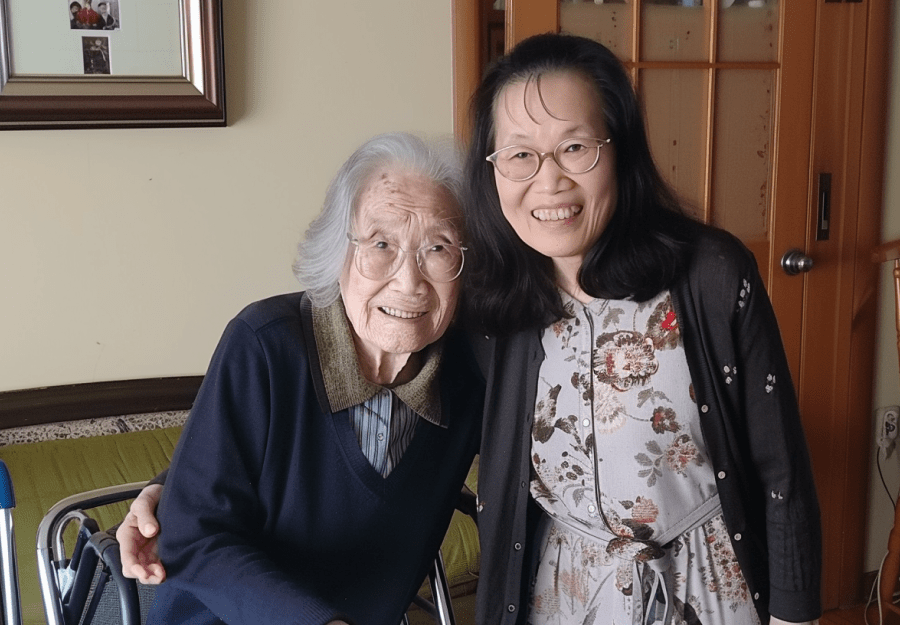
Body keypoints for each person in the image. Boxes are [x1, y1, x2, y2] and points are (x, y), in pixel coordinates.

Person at [462, 34, 821, 625]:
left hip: (708, 589)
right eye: (520, 155)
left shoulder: (709, 273)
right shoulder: (493, 306)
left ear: (620, 150)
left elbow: (781, 466)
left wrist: (793, 614)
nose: (548, 182)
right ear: (493, 169)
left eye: (575, 147)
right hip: (564, 595)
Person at [140, 132, 482, 625]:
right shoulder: (265, 345)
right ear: (337, 253)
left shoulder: (468, 376)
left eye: (438, 248)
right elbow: (194, 533)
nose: (409, 281)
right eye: (381, 244)